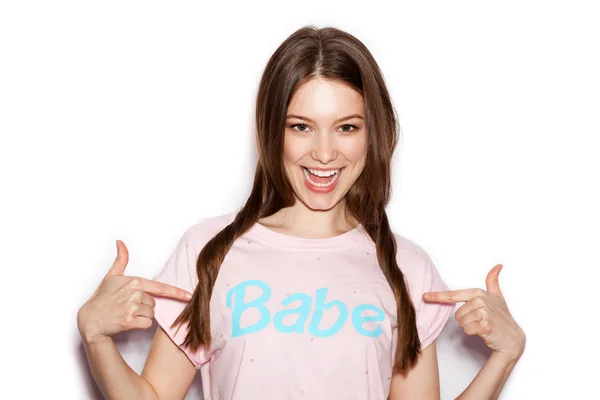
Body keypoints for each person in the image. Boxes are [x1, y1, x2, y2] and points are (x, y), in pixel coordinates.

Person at [77, 25, 526, 400]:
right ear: (272, 129)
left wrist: (503, 358)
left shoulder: (407, 267)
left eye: (347, 127)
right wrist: (95, 337)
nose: (325, 153)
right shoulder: (209, 251)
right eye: (301, 127)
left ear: (374, 134)